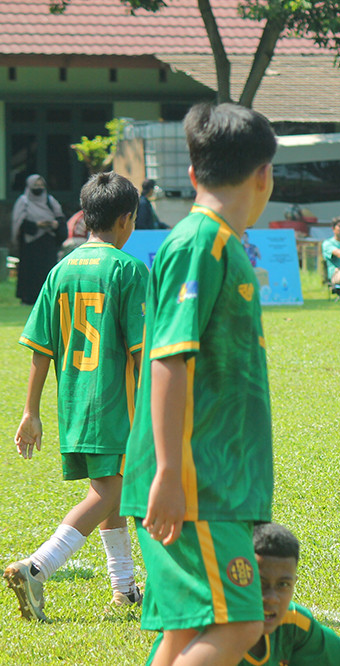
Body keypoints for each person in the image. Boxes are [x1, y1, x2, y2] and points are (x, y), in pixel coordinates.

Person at [119, 103, 277, 666]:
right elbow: (168, 360)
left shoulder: (221, 242)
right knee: (239, 623)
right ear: (264, 175)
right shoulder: (200, 243)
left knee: (186, 632)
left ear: (192, 174)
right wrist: (168, 473)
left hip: (216, 479)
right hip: (194, 481)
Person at [3, 172, 147, 621]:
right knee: (111, 492)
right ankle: (37, 567)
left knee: (108, 488)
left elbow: (40, 349)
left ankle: (124, 588)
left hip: (75, 405)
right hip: (117, 405)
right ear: (126, 220)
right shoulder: (128, 270)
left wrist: (30, 411)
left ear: (85, 217)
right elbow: (142, 352)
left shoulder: (60, 270)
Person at [147, 523, 340, 665]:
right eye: (260, 583)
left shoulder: (293, 624)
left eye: (283, 585)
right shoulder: (197, 630)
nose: (271, 597)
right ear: (237, 580)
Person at [11, 174, 68, 305]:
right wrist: (37, 225)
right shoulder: (23, 202)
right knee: (30, 271)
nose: (39, 187)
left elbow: (60, 219)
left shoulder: (51, 201)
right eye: (36, 185)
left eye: (41, 185)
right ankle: (28, 298)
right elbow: (19, 224)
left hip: (48, 243)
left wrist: (54, 225)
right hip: (30, 244)